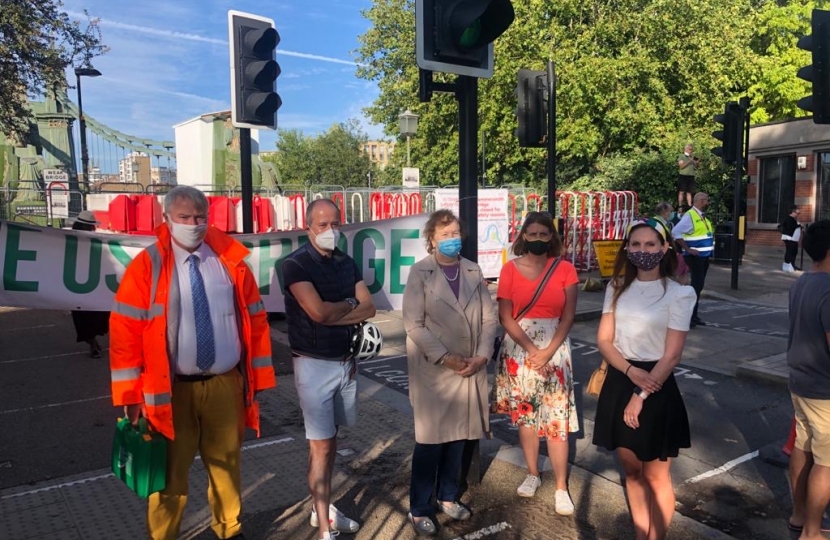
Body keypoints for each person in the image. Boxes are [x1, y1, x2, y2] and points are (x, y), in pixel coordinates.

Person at [109, 186, 276, 540]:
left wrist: (254, 381)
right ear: (166, 219)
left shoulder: (231, 262)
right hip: (169, 391)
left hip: (224, 384)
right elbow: (125, 334)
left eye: (200, 217)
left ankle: (230, 531)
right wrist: (130, 397)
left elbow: (256, 322)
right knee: (169, 476)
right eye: (184, 218)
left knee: (227, 468)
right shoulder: (147, 266)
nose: (193, 224)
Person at [593, 218, 696, 540]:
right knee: (632, 471)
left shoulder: (680, 293)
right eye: (636, 244)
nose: (643, 250)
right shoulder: (616, 286)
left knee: (655, 477)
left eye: (651, 244)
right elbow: (604, 341)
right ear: (627, 248)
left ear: (665, 248)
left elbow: (672, 355)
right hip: (620, 379)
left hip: (656, 386)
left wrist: (640, 393)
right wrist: (628, 371)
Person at [282, 199, 376, 540]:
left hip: (345, 363)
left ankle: (320, 509)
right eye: (322, 224)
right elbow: (318, 314)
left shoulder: (345, 262)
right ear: (308, 226)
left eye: (334, 223)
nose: (329, 230)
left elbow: (370, 308)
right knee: (320, 447)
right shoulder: (294, 265)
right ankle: (324, 527)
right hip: (313, 365)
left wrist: (342, 309)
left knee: (330, 442)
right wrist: (349, 305)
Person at [401, 209, 499, 537]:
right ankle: (419, 507)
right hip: (435, 369)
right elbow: (413, 324)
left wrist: (483, 356)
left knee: (459, 436)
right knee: (430, 442)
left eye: (456, 232)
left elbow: (489, 318)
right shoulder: (420, 273)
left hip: (470, 366)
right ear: (431, 239)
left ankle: (446, 496)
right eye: (445, 234)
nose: (452, 239)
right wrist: (445, 357)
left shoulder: (472, 270)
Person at [492, 211, 579, 515]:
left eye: (545, 234)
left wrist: (549, 350)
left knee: (557, 420)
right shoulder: (510, 270)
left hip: (555, 347)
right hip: (520, 348)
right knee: (527, 418)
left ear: (551, 237)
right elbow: (505, 315)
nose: (539, 239)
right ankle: (532, 472)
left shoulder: (565, 269)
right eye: (533, 234)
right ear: (523, 236)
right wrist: (532, 350)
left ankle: (561, 486)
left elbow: (569, 314)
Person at [786, 221, 830, 539]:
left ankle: (799, 516)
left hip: (800, 383)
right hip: (824, 389)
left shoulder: (802, 282)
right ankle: (813, 533)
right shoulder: (829, 289)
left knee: (803, 447)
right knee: (828, 462)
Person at [70, 210, 109, 358]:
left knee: (97, 314)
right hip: (77, 282)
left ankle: (93, 341)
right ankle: (92, 343)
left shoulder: (95, 239)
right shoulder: (68, 239)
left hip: (92, 281)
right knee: (82, 316)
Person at [673, 192, 713, 327]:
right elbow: (675, 232)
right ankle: (689, 317)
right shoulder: (690, 216)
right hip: (695, 257)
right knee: (696, 287)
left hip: (703, 257)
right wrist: (688, 249)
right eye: (707, 201)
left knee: (698, 287)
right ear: (701, 201)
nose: (708, 203)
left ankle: (693, 316)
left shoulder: (701, 216)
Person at [653, 202, 689, 286]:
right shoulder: (656, 224)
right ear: (664, 212)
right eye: (671, 211)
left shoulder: (661, 223)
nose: (672, 213)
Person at [781, 205, 802, 273]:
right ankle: (788, 265)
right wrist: (799, 225)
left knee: (794, 252)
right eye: (797, 213)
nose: (798, 215)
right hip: (789, 238)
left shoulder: (792, 219)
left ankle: (792, 265)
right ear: (793, 212)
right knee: (790, 252)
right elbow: (791, 227)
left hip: (793, 239)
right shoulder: (789, 219)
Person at [676, 144, 698, 208]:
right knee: (681, 192)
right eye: (689, 149)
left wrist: (696, 163)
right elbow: (681, 166)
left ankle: (689, 206)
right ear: (685, 149)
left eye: (691, 149)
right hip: (683, 176)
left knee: (689, 192)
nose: (691, 151)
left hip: (691, 176)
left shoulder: (691, 157)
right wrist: (689, 161)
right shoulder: (681, 156)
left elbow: (696, 167)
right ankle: (680, 206)